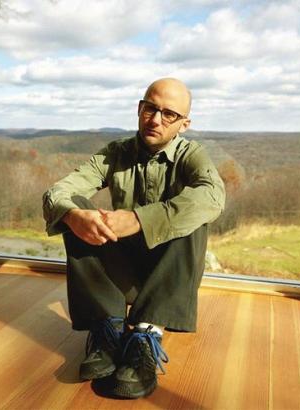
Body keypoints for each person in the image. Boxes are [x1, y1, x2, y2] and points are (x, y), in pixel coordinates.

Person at [42, 78, 226, 398]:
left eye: (169, 114)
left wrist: (140, 219)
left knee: (194, 215)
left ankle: (146, 334)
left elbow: (213, 196)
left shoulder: (192, 155)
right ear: (139, 109)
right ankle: (107, 329)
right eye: (150, 108)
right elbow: (58, 192)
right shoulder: (116, 153)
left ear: (184, 124)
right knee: (77, 209)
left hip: (167, 279)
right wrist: (73, 216)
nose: (155, 119)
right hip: (120, 275)